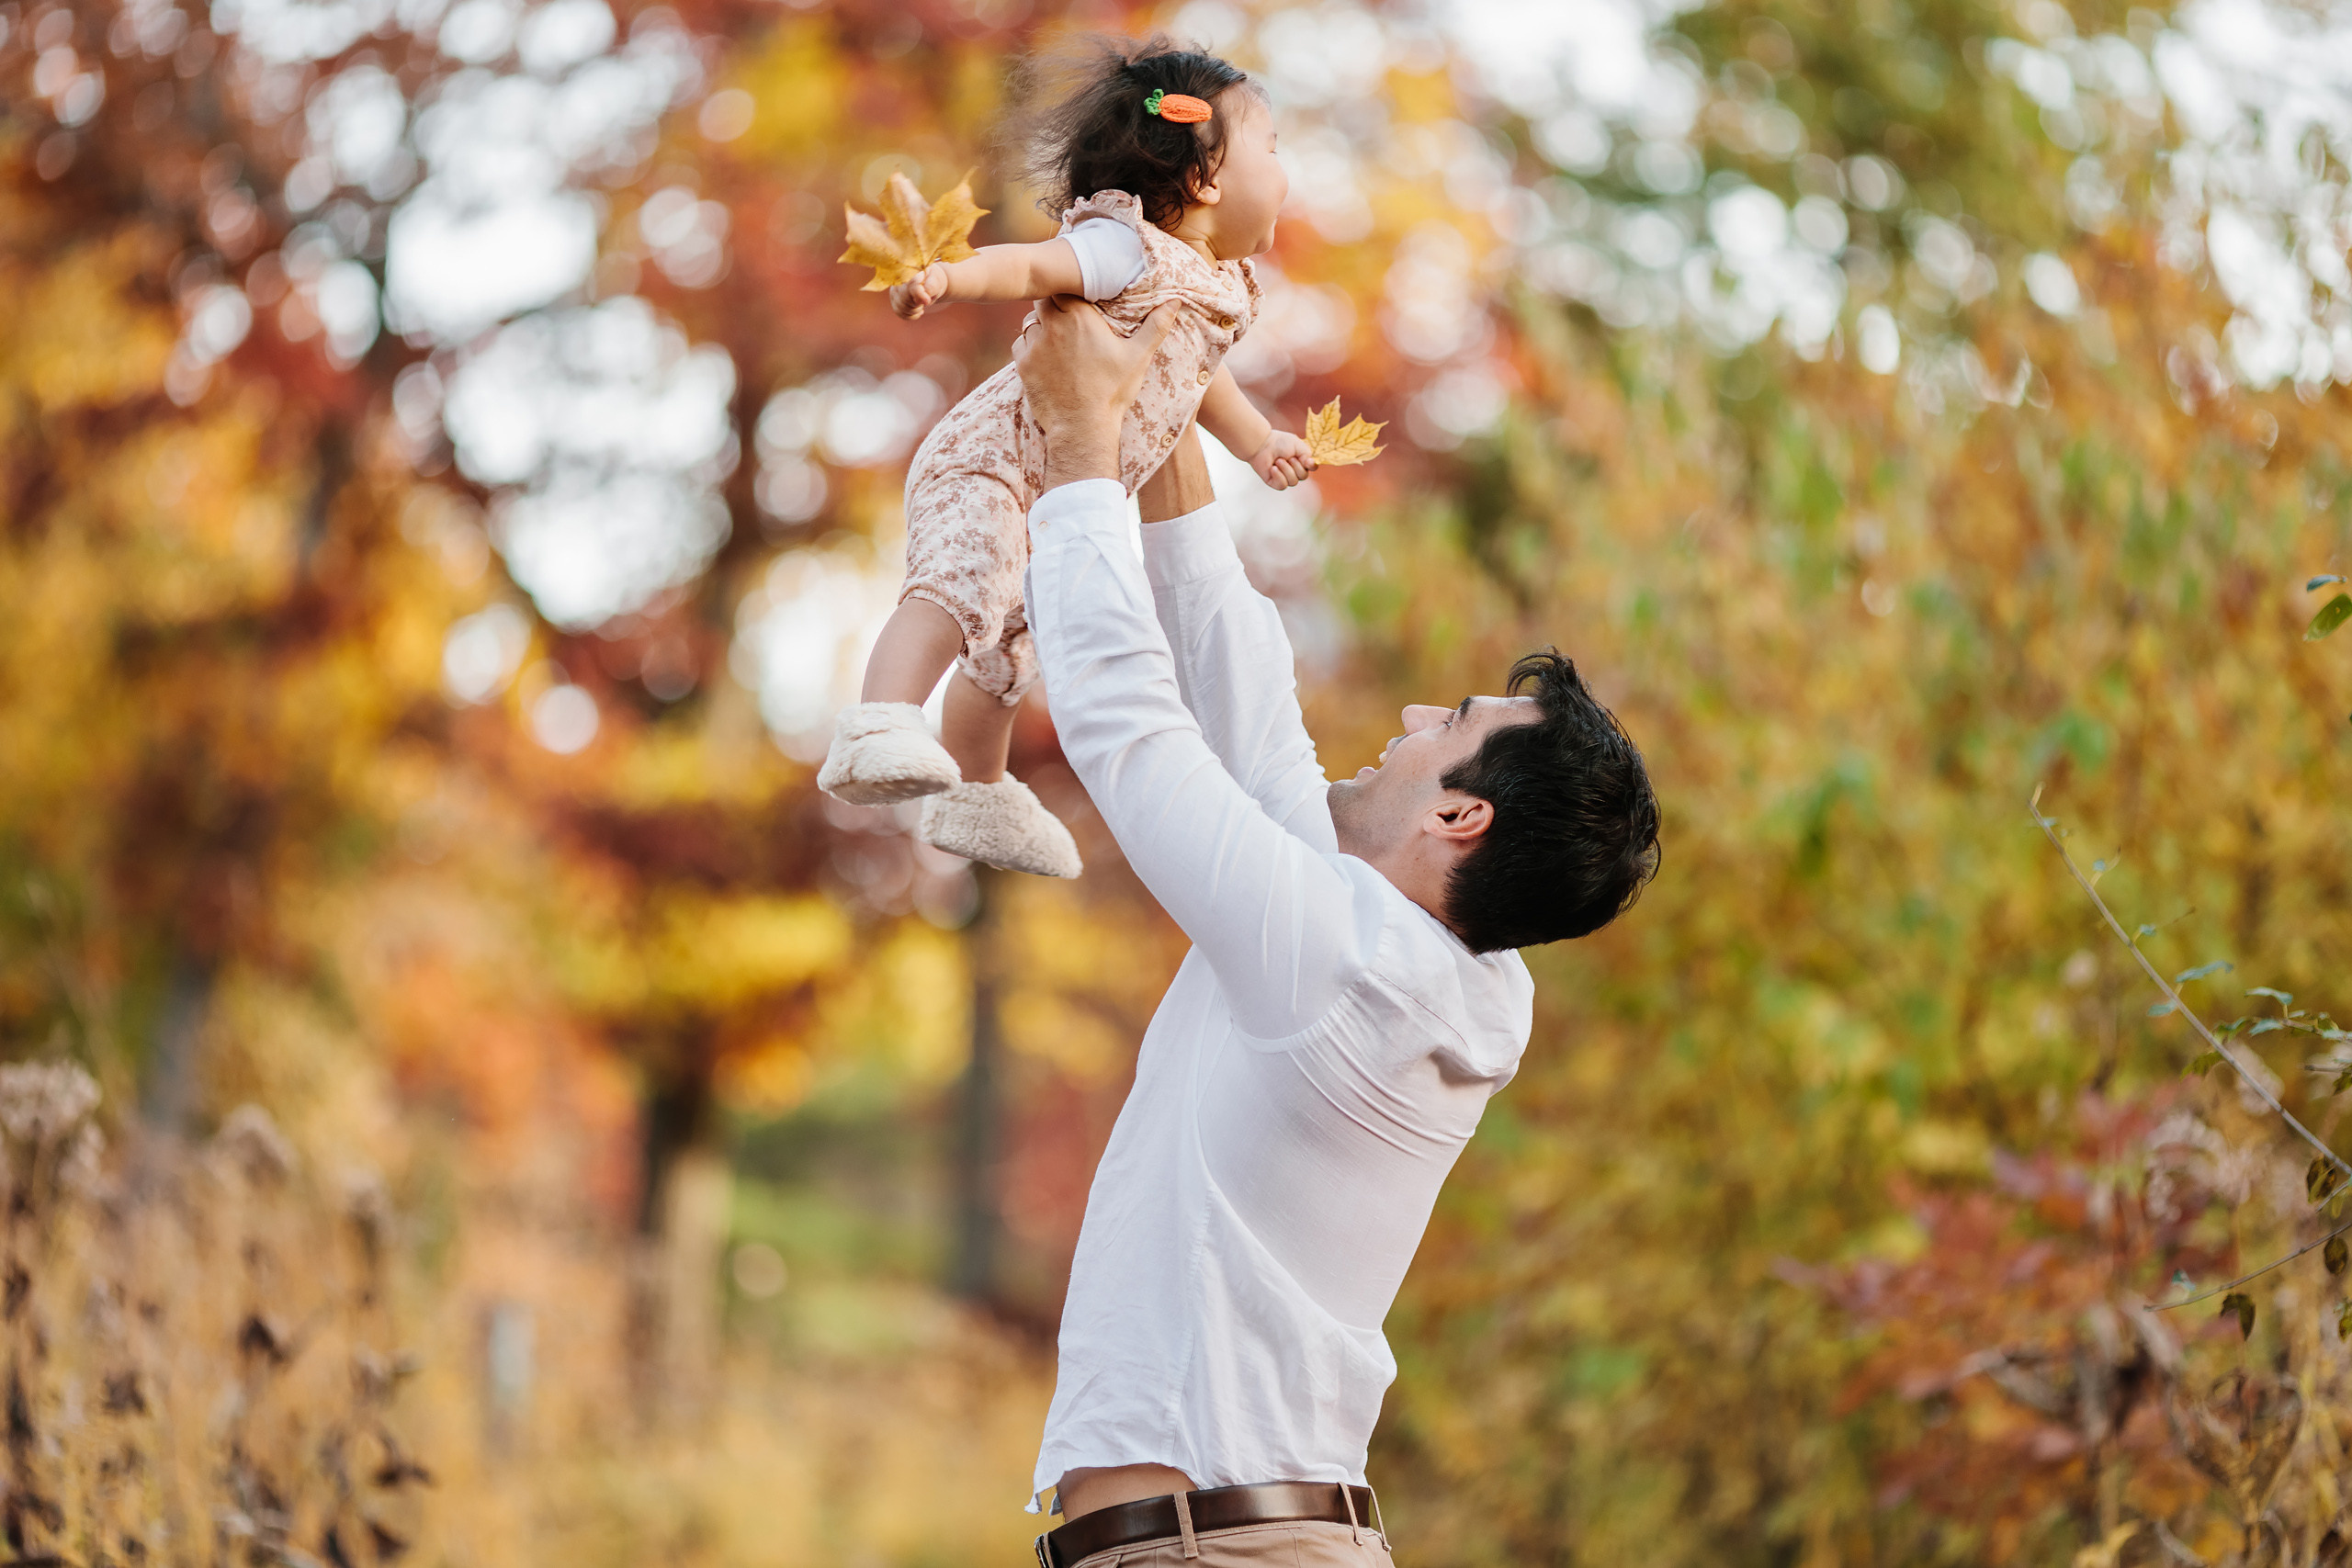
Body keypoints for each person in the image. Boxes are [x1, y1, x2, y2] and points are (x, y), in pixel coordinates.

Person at [1007, 294, 1662, 1567]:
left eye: (1452, 717)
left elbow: (1134, 734)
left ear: (1460, 811)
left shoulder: (1346, 963)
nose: (1416, 708)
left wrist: (1082, 445)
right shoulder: (1424, 970)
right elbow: (1245, 698)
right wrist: (1172, 377)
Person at [816, 36, 1314, 881]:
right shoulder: (1126, 249)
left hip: (1051, 497)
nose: (1286, 169)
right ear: (1204, 180)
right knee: (961, 587)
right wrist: (949, 278)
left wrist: (1259, 442)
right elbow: (1034, 264)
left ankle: (977, 793)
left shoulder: (1213, 288)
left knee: (1009, 646)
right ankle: (880, 720)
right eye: (1271, 146)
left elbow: (1202, 380)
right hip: (994, 462)